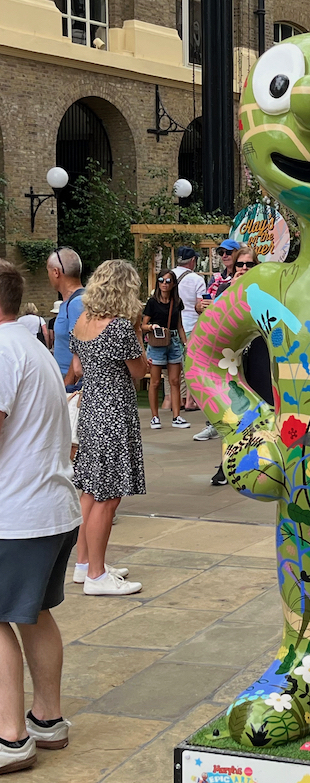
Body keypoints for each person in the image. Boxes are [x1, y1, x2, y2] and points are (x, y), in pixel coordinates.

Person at [0, 259, 81, 773]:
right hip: (50, 508)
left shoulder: (3, 348)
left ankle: (10, 738)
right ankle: (46, 720)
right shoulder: (30, 345)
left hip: (16, 514)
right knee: (34, 616)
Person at [68, 259, 148, 596]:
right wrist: (139, 334)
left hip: (91, 411)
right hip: (113, 414)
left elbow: (77, 366)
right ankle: (97, 576)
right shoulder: (118, 328)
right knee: (107, 497)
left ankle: (84, 564)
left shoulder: (83, 321)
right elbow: (140, 372)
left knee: (90, 491)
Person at [206, 246, 273, 487]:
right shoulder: (225, 289)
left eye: (249, 265)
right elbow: (214, 320)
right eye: (239, 265)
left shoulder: (263, 291)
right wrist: (232, 289)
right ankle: (227, 464)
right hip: (230, 357)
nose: (244, 268)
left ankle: (264, 458)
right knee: (231, 408)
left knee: (263, 403)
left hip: (258, 351)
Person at [192, 239, 241, 443]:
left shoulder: (244, 276)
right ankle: (214, 423)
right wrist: (202, 306)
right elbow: (198, 306)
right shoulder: (216, 279)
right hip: (217, 337)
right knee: (216, 381)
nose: (224, 256)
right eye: (221, 252)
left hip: (237, 337)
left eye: (228, 252)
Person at [142, 270, 190, 429]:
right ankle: (154, 417)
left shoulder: (176, 302)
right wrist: (151, 326)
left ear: (174, 284)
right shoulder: (152, 302)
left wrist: (186, 344)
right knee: (155, 382)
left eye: (168, 281)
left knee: (175, 381)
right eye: (161, 280)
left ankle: (176, 416)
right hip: (157, 342)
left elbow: (180, 325)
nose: (164, 283)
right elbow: (142, 325)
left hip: (174, 341)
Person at [170, 246, 206, 412]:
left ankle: (173, 400)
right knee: (191, 365)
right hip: (190, 325)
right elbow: (200, 306)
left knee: (172, 365)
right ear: (193, 261)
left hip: (170, 326)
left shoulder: (167, 276)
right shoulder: (197, 279)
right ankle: (191, 400)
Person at [46, 247, 84, 386]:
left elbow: (81, 349)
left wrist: (66, 385)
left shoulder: (77, 304)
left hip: (73, 385)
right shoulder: (72, 302)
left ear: (56, 272)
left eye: (48, 271)